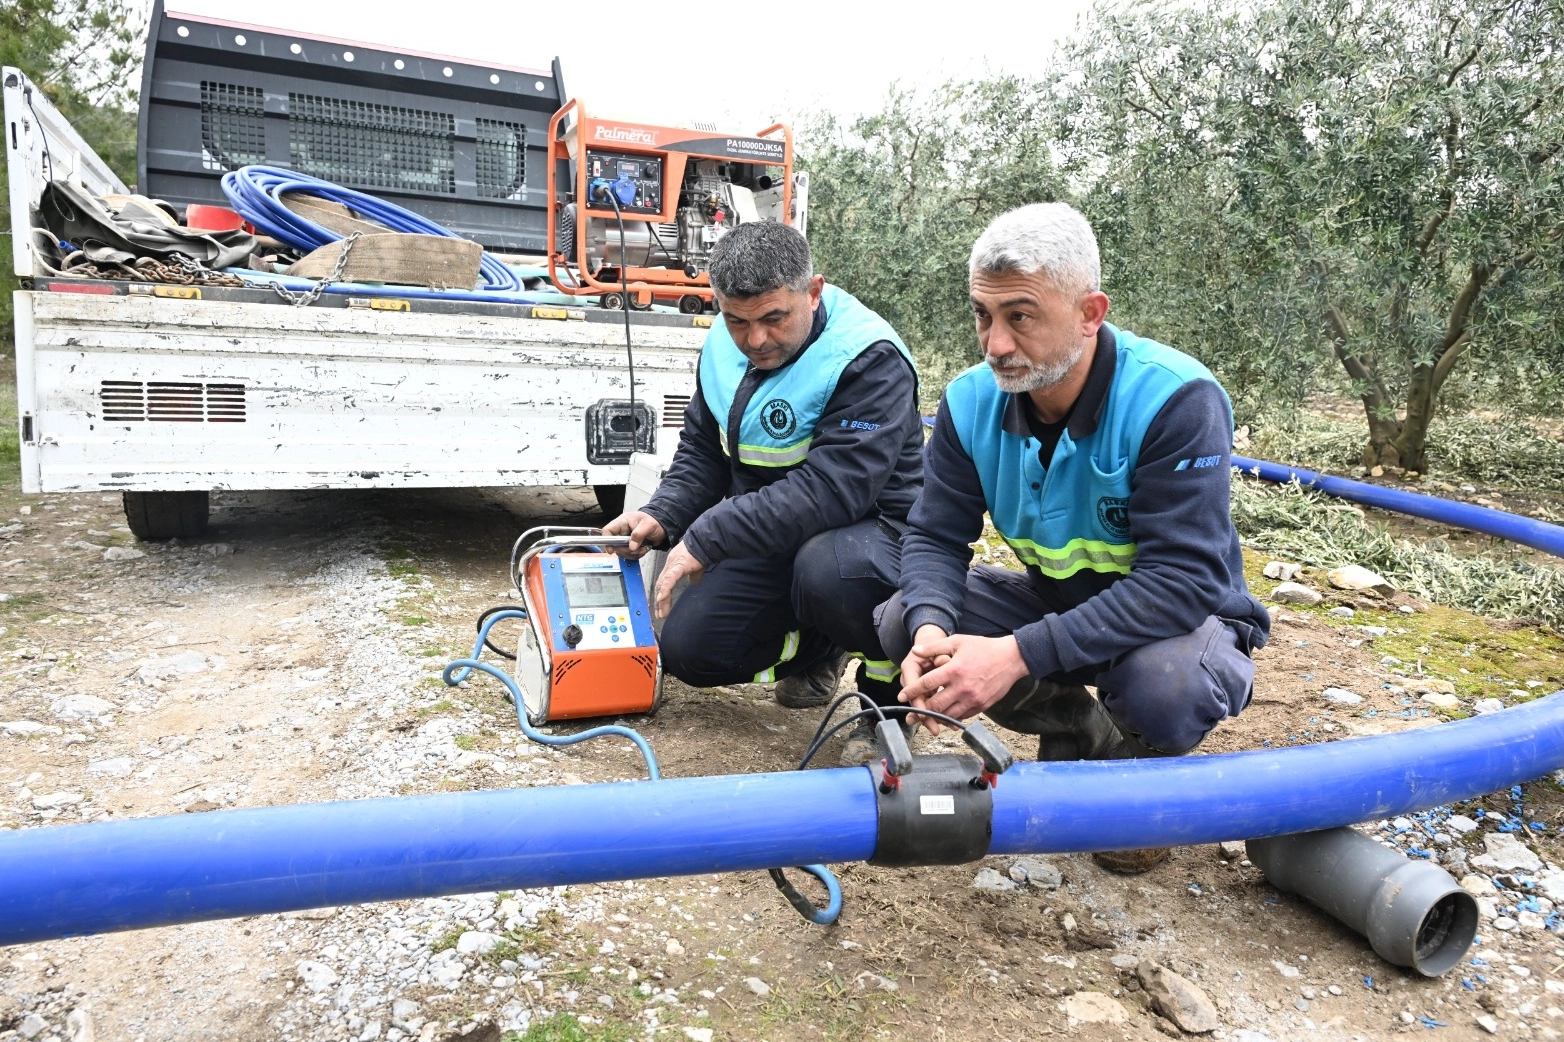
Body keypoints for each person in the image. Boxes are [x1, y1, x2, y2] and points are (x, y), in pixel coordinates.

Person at [878, 202, 1271, 872]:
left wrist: (1014, 656)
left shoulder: (1174, 399)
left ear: (1090, 313)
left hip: (1176, 625)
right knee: (898, 619)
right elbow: (935, 537)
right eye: (983, 315)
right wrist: (930, 630)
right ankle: (1078, 726)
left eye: (1020, 317)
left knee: (1168, 687)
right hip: (1060, 611)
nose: (995, 343)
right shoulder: (971, 402)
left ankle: (1135, 764)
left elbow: (1183, 582)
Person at [606, 221, 922, 764]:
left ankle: (886, 702)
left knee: (829, 571)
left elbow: (833, 491)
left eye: (775, 318)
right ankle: (821, 647)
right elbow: (705, 450)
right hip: (777, 531)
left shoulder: (869, 357)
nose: (756, 340)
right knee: (690, 651)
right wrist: (663, 513)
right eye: (737, 321)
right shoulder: (720, 346)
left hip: (874, 534)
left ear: (813, 291)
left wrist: (712, 533)